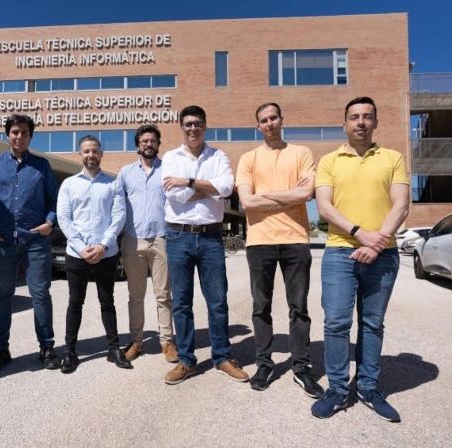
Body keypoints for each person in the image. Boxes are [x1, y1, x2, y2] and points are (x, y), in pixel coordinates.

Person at [311, 97, 409, 422]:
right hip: (340, 251)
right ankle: (338, 389)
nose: (361, 122)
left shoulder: (392, 158)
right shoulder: (329, 161)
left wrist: (376, 243)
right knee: (337, 323)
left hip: (383, 255)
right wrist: (359, 233)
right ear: (345, 124)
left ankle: (368, 387)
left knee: (372, 324)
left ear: (375, 122)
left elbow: (401, 205)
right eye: (354, 117)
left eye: (367, 116)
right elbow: (325, 207)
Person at [236, 103, 324, 398]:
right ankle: (264, 364)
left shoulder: (301, 153)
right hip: (259, 241)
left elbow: (306, 193)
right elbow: (247, 202)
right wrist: (289, 196)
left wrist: (265, 196)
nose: (270, 123)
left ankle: (301, 367)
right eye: (264, 120)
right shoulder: (248, 159)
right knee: (261, 307)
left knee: (299, 307)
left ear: (281, 120)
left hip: (295, 239)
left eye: (274, 117)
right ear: (258, 126)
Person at [161, 105, 248, 385]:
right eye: (188, 124)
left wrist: (188, 182)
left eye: (197, 123)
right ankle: (186, 360)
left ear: (205, 126)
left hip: (211, 236)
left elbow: (226, 188)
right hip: (178, 236)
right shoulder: (170, 157)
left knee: (217, 300)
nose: (193, 128)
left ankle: (222, 357)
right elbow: (173, 196)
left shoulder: (218, 156)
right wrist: (208, 189)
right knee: (182, 303)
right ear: (181, 127)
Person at [0, 114, 59, 374]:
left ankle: (47, 347)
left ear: (31, 136)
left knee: (40, 294)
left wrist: (50, 222)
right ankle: (0, 349)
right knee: (2, 295)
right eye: (14, 132)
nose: (19, 136)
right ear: (7, 134)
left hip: (35, 240)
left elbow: (54, 200)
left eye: (24, 132)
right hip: (2, 241)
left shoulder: (42, 165)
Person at [56, 135, 132, 373]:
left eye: (95, 151)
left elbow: (119, 217)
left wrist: (103, 246)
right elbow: (64, 218)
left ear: (101, 154)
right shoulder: (69, 184)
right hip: (76, 254)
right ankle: (70, 351)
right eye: (86, 151)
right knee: (74, 303)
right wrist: (81, 248)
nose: (91, 155)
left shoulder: (113, 184)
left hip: (106, 254)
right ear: (80, 154)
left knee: (107, 301)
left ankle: (113, 349)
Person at [117, 124, 178, 363]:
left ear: (158, 144)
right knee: (136, 296)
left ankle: (167, 342)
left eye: (152, 141)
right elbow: (116, 204)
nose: (149, 144)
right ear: (138, 145)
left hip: (162, 238)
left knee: (163, 295)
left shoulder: (167, 170)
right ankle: (137, 342)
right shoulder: (125, 173)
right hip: (133, 240)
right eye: (144, 141)